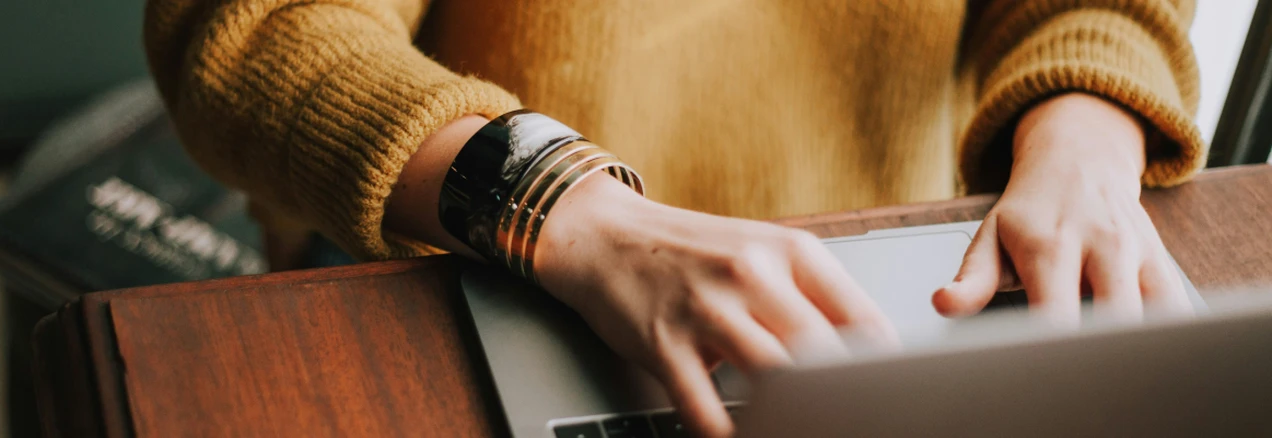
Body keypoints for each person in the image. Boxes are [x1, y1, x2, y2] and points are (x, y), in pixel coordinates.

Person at [144, 0, 1203, 435]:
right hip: (478, 272)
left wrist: (1085, 130)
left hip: (894, 291)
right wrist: (559, 205)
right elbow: (248, 33)